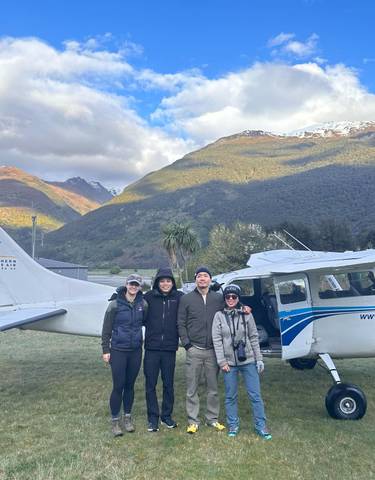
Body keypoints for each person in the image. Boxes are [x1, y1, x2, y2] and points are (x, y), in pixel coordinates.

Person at [212, 284, 271, 439]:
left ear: (238, 299)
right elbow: (216, 340)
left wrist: (259, 359)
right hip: (229, 363)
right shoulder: (218, 316)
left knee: (255, 395)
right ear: (224, 299)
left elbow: (253, 337)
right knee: (230, 396)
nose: (231, 299)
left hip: (248, 361)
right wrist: (221, 361)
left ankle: (261, 425)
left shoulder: (246, 314)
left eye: (234, 297)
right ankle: (233, 424)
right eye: (228, 297)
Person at [177, 266, 227, 434]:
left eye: (205, 276)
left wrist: (244, 308)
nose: (202, 279)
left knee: (213, 387)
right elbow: (181, 323)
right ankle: (193, 420)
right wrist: (187, 345)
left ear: (210, 280)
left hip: (213, 351)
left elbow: (232, 306)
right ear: (196, 280)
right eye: (199, 276)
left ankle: (212, 419)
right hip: (195, 349)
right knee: (192, 388)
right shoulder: (187, 299)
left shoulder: (218, 298)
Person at [101, 273, 147, 437]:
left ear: (140, 287)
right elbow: (106, 329)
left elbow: (147, 322)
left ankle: (127, 418)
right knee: (118, 386)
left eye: (136, 285)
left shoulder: (143, 304)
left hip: (135, 351)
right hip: (118, 350)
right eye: (131, 284)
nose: (133, 287)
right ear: (126, 284)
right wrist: (106, 350)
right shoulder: (114, 304)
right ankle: (115, 421)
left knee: (130, 386)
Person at [143, 267, 184, 432]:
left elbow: (197, 301)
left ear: (172, 283)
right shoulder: (148, 297)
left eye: (168, 281)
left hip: (169, 348)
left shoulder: (179, 297)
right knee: (150, 385)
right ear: (157, 283)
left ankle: (166, 416)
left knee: (168, 385)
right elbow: (132, 298)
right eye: (162, 281)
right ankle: (153, 418)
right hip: (152, 348)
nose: (165, 284)